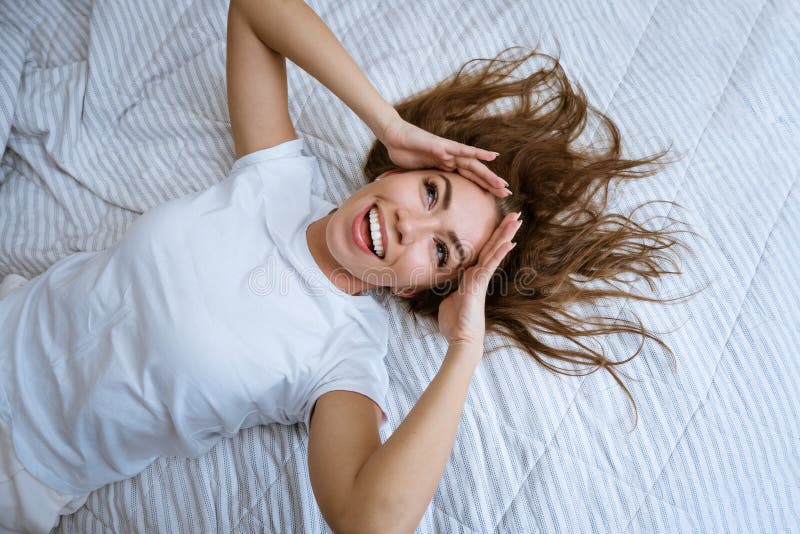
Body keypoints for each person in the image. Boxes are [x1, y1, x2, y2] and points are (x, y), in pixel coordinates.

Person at [0, 0, 702, 532]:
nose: (409, 224)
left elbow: (369, 520)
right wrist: (388, 122)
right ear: (405, 168)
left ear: (426, 287)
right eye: (431, 193)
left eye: (440, 249)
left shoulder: (344, 357)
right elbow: (254, 11)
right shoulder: (276, 177)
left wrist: (464, 347)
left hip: (19, 468)